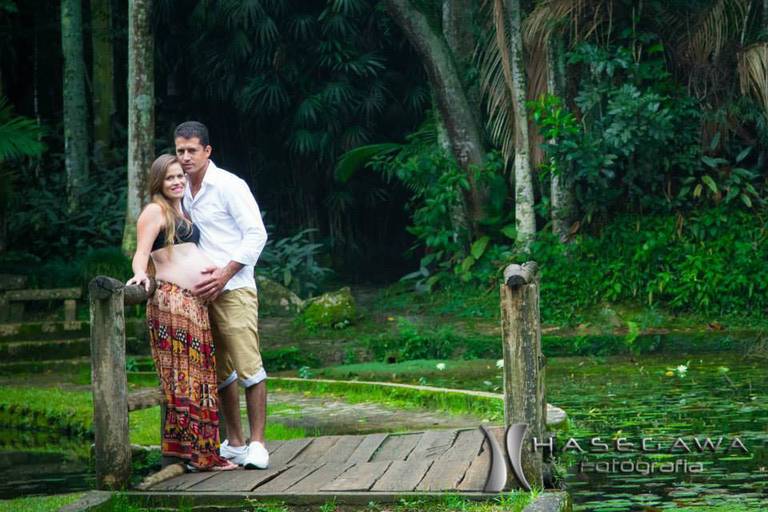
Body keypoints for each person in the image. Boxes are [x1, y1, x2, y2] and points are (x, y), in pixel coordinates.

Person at [126, 154, 237, 471]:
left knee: (200, 377)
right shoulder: (154, 211)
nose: (176, 182)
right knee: (183, 378)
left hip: (194, 305)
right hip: (173, 304)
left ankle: (201, 453)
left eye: (179, 176)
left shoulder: (182, 210)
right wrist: (140, 274)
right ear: (158, 182)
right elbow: (141, 252)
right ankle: (196, 455)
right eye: (169, 178)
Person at [174, 121, 270, 470]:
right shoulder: (181, 190)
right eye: (180, 151)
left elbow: (256, 234)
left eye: (192, 150)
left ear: (207, 151)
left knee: (249, 366)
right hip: (201, 293)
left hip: (234, 288)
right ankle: (235, 442)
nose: (185, 157)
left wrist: (225, 273)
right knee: (220, 371)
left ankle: (258, 444)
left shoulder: (229, 185)